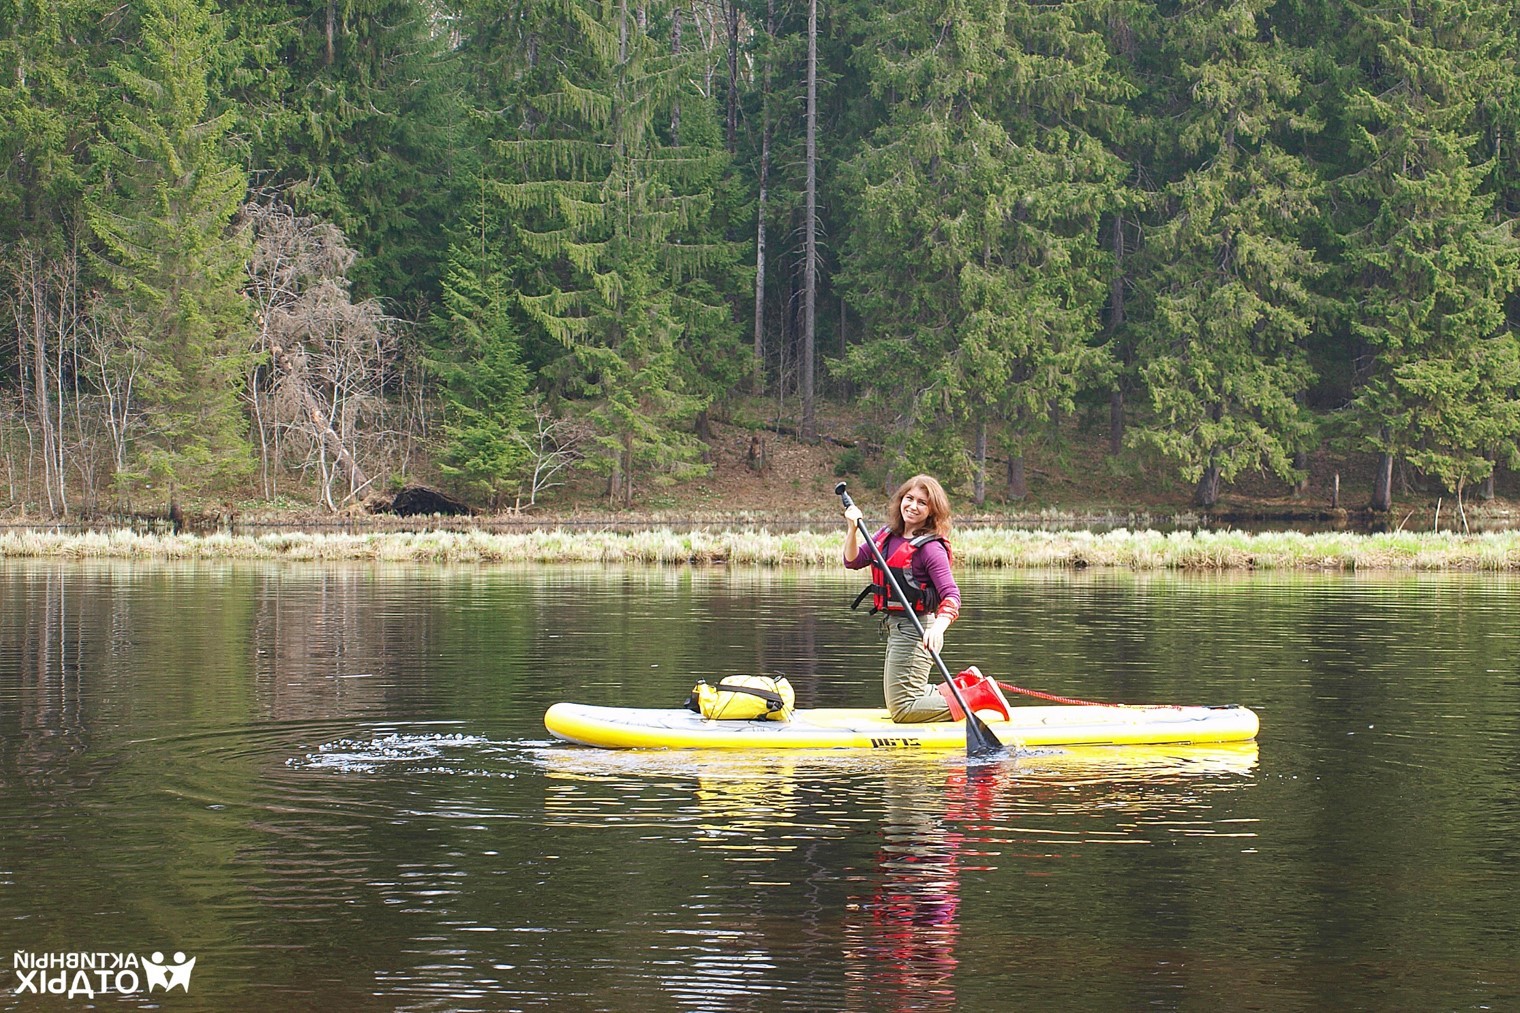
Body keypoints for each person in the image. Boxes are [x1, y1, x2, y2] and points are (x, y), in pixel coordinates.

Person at [843, 475, 962, 723]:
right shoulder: (887, 535)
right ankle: (962, 687)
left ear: (932, 510)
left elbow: (951, 596)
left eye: (922, 502)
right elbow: (852, 560)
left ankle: (976, 698)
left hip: (918, 630)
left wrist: (938, 629)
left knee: (903, 709)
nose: (913, 506)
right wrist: (852, 529)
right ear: (900, 500)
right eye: (909, 498)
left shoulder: (931, 548)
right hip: (896, 627)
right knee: (899, 702)